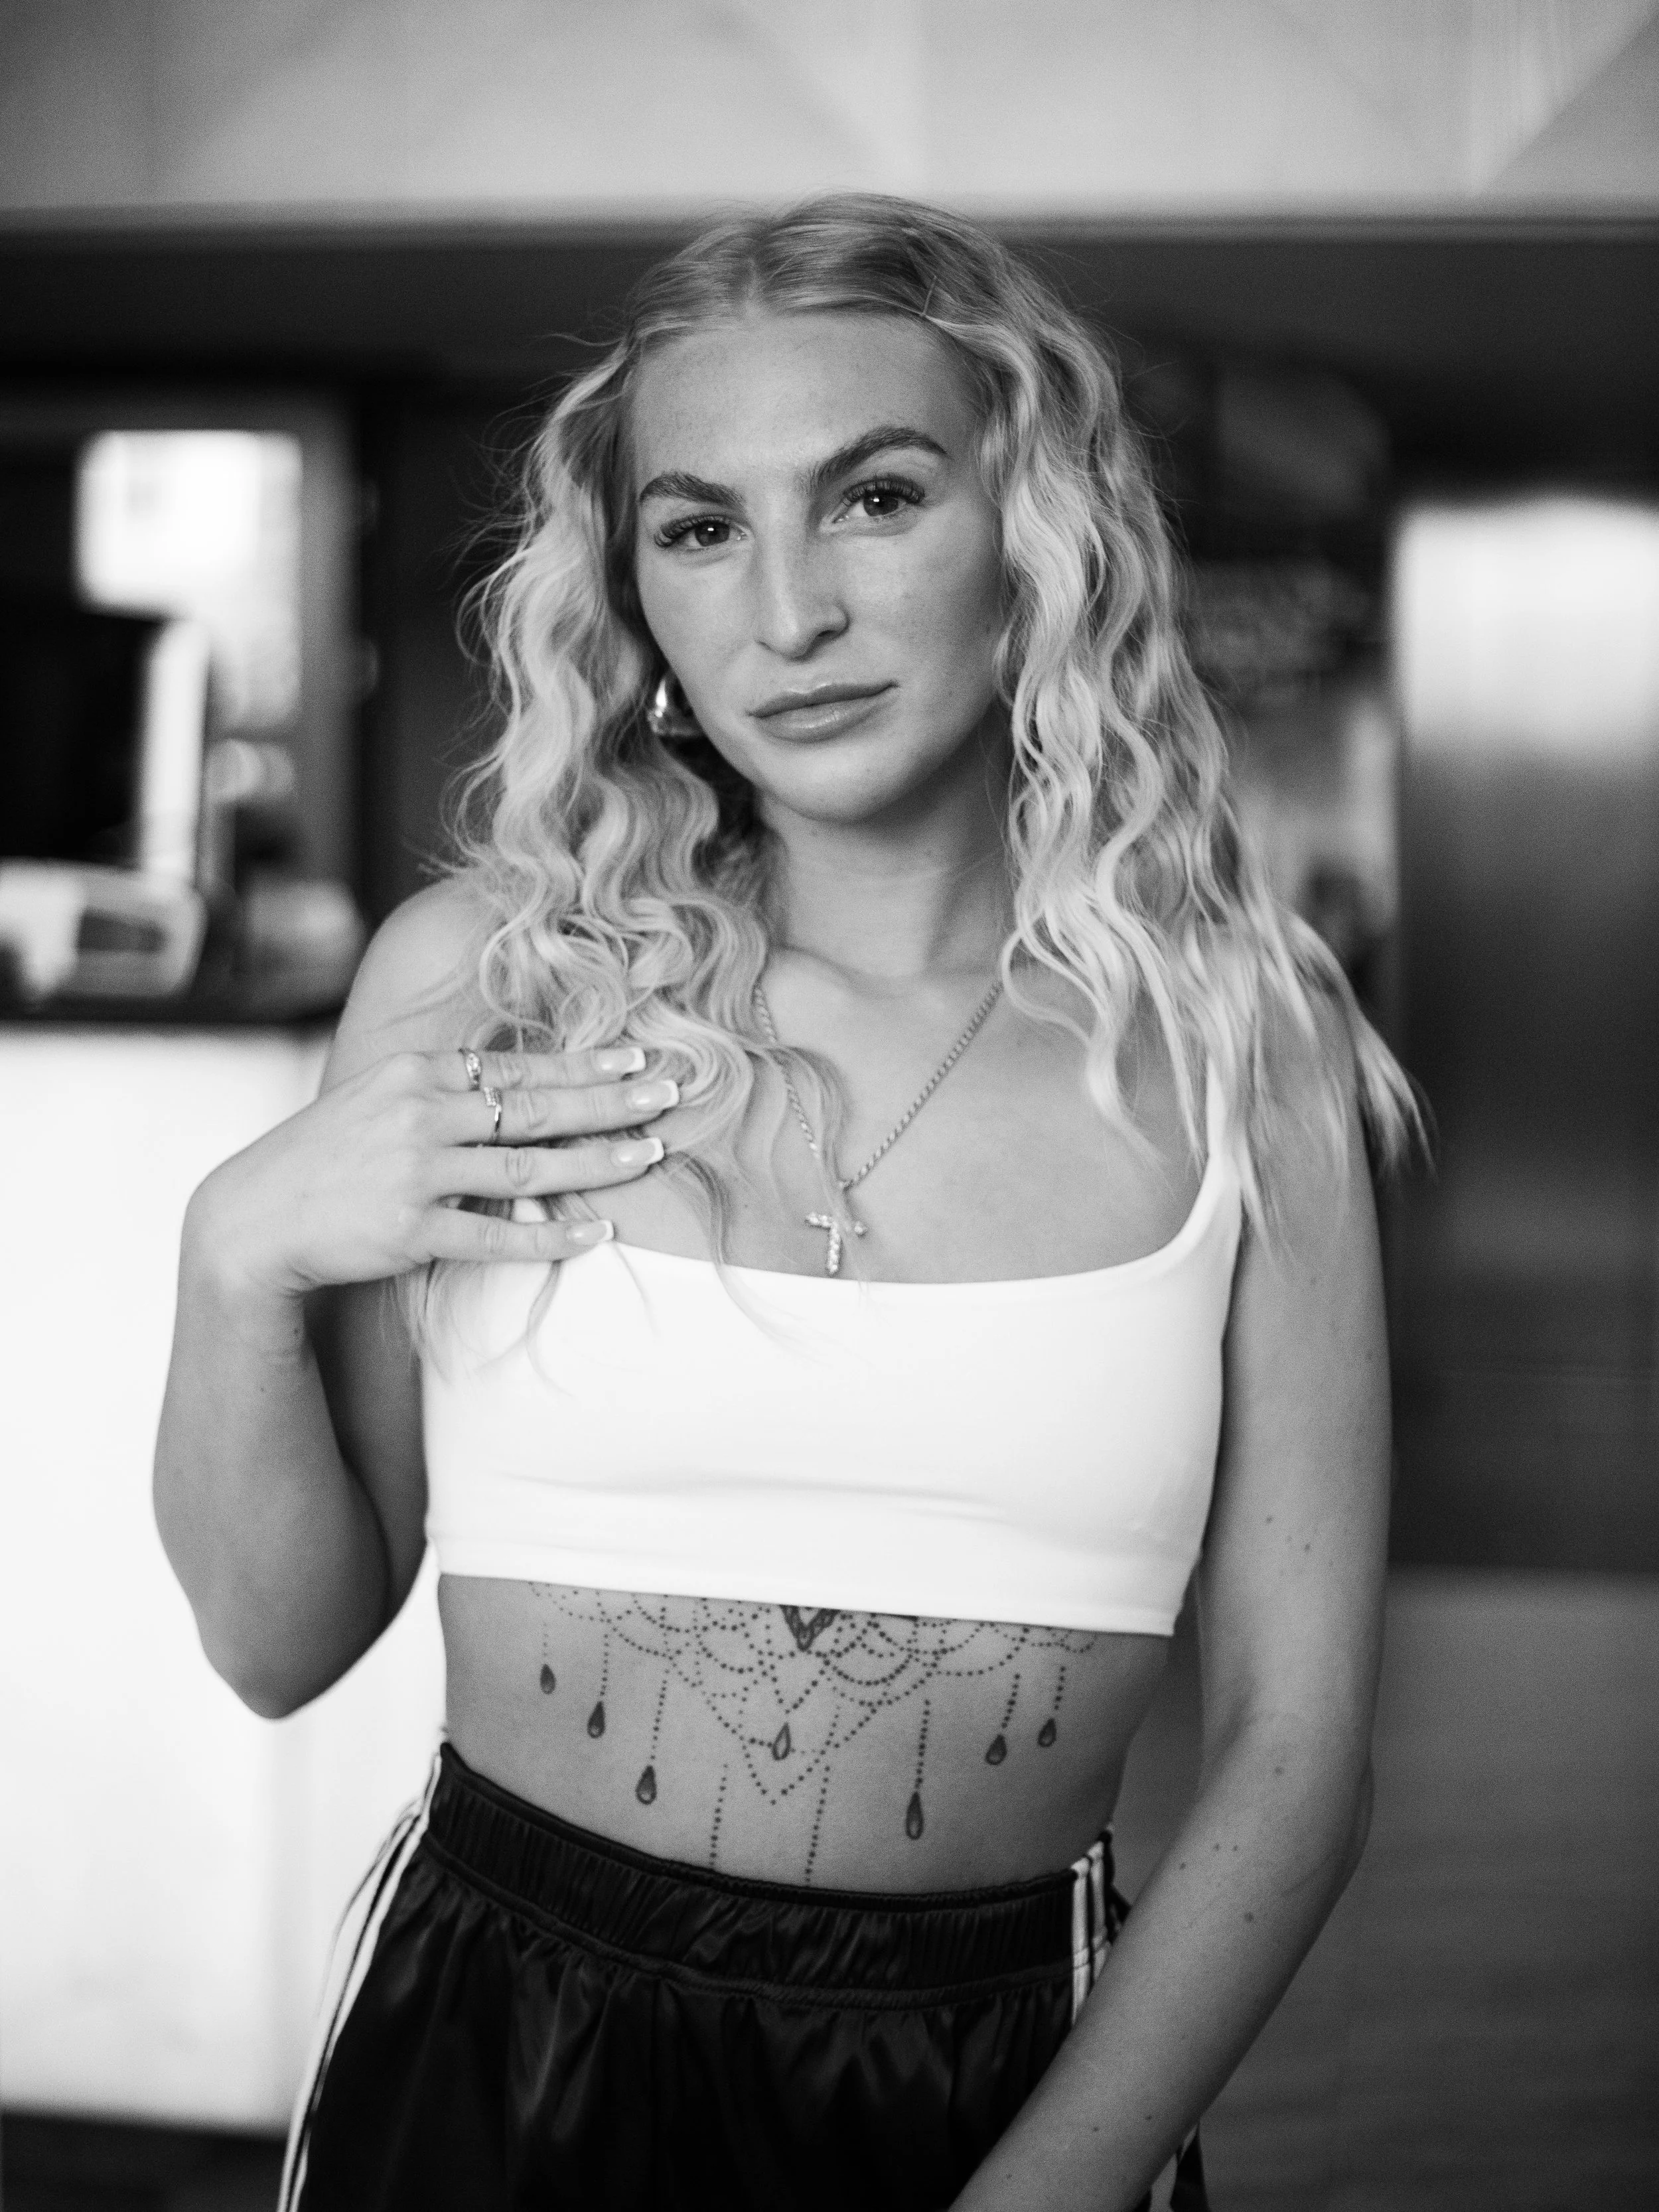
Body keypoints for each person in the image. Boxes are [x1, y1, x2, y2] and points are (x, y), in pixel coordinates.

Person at [154, 194, 1415, 2212]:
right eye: (700, 526)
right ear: (633, 588)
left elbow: (1295, 1745)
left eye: (878, 495)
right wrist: (233, 1255)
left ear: (1034, 532)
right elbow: (281, 1638)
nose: (788, 616)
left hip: (1015, 2082)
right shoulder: (490, 981)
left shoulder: (1240, 1045)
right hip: (488, 2057)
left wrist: (1040, 2194)